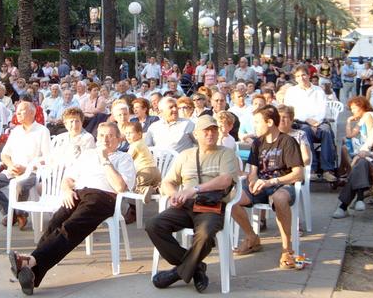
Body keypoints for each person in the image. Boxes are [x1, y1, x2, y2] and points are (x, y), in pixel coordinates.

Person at [8, 122, 135, 295]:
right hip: (78, 193)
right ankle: (32, 272)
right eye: (102, 135)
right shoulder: (88, 154)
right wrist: (67, 189)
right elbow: (68, 177)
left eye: (110, 135)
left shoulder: (124, 158)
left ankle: (30, 262)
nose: (105, 139)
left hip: (103, 197)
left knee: (71, 226)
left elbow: (120, 187)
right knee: (55, 223)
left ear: (118, 140)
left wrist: (105, 159)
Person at [145, 115, 239, 292]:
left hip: (212, 206)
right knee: (153, 225)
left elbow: (226, 180)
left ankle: (177, 273)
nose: (210, 134)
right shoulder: (185, 155)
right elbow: (167, 182)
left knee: (204, 235)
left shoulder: (226, 153)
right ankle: (195, 268)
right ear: (196, 134)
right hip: (186, 205)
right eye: (206, 131)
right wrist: (174, 195)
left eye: (213, 130)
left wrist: (194, 189)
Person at [231, 105, 304, 270]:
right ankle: (251, 237)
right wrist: (253, 181)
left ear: (270, 122)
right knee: (230, 196)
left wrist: (271, 182)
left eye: (257, 122)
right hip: (261, 185)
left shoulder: (288, 142)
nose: (254, 126)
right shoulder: (257, 143)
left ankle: (287, 248)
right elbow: (253, 171)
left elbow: (298, 174)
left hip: (282, 184)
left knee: (279, 199)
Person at [0, 101, 50, 230]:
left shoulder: (42, 131)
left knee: (20, 186)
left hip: (32, 172)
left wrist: (27, 168)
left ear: (32, 113)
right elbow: (4, 155)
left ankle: (20, 213)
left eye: (22, 111)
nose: (18, 113)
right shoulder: (16, 131)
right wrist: (10, 165)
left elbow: (47, 158)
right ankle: (9, 212)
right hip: (13, 170)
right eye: (17, 111)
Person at [284, 64, 337, 182]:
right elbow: (290, 111)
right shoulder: (291, 91)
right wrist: (307, 120)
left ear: (308, 75)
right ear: (295, 78)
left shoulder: (318, 90)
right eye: (298, 76)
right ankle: (311, 169)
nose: (301, 78)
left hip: (318, 121)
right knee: (305, 131)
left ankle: (327, 170)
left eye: (303, 75)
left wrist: (316, 122)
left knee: (326, 130)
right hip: (299, 122)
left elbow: (323, 108)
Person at [123, 121, 160, 224]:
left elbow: (127, 159)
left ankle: (144, 189)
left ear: (139, 134)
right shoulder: (143, 143)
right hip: (155, 172)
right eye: (126, 133)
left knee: (133, 187)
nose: (128, 136)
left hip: (144, 172)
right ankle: (157, 188)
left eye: (130, 133)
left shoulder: (135, 145)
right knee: (154, 184)